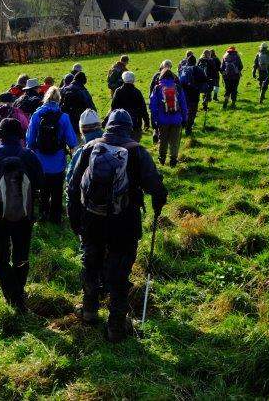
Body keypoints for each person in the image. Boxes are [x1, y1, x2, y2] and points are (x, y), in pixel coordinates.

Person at [67, 109, 168, 342]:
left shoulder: (90, 148)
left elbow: (72, 187)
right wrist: (159, 202)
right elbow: (156, 186)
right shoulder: (138, 152)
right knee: (119, 273)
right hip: (125, 221)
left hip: (92, 218)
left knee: (91, 264)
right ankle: (116, 326)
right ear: (129, 128)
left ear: (107, 125)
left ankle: (90, 311)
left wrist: (75, 220)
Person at [0, 118, 44, 311]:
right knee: (21, 255)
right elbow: (40, 183)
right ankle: (18, 293)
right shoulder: (28, 155)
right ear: (20, 134)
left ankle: (12, 296)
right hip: (24, 217)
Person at [26, 87, 78, 225]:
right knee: (56, 190)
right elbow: (72, 141)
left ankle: (43, 214)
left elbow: (30, 140)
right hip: (58, 161)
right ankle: (55, 217)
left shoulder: (37, 115)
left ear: (45, 98)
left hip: (40, 160)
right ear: (59, 100)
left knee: (43, 189)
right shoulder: (64, 117)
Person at [149, 69, 188, 166]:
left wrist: (153, 120)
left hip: (162, 120)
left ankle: (162, 158)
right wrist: (185, 118)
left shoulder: (157, 88)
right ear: (173, 77)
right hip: (176, 119)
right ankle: (173, 160)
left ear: (161, 77)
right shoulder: (177, 88)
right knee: (174, 141)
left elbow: (153, 106)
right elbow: (183, 104)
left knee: (163, 140)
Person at [66, 109, 103, 186]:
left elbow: (70, 178)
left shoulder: (80, 153)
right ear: (99, 126)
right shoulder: (112, 146)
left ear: (82, 130)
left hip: (85, 195)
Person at [110, 71, 150, 142]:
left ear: (123, 79)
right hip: (135, 123)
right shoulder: (137, 92)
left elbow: (113, 108)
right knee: (134, 144)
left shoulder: (118, 91)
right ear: (133, 80)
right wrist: (146, 121)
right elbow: (143, 108)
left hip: (121, 122)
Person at [61, 71, 97, 137]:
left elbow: (60, 105)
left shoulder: (64, 90)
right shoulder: (82, 91)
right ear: (83, 81)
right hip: (80, 121)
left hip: (66, 121)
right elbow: (91, 106)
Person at [178, 55, 208, 136]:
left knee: (184, 110)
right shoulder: (197, 69)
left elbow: (179, 81)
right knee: (192, 111)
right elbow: (205, 79)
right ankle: (188, 128)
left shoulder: (183, 69)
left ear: (188, 61)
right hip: (194, 94)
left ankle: (181, 126)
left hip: (183, 94)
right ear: (195, 61)